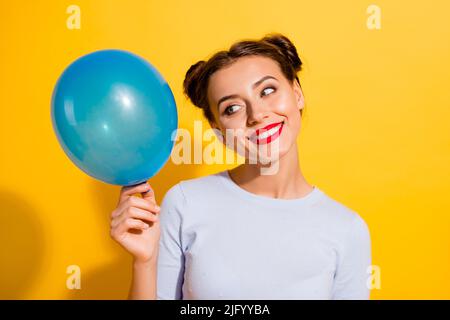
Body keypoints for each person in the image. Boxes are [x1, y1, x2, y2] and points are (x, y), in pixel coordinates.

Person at [110, 33, 372, 300]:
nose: (257, 114)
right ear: (217, 129)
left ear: (297, 93)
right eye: (232, 108)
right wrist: (144, 261)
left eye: (267, 91)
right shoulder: (185, 202)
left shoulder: (347, 229)